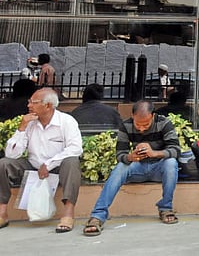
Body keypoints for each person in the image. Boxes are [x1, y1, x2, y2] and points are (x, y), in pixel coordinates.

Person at [83, 99, 181, 235]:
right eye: (138, 124)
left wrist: (154, 153)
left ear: (153, 116)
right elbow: (120, 154)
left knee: (171, 163)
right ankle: (98, 216)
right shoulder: (126, 125)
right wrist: (131, 157)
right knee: (121, 167)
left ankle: (166, 208)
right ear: (132, 116)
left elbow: (176, 150)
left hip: (159, 167)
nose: (141, 129)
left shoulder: (164, 123)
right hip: (138, 168)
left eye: (146, 124)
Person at [0, 88, 82, 233]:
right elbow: (11, 154)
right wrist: (21, 128)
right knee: (3, 164)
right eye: (29, 102)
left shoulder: (66, 121)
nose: (29, 106)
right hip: (33, 165)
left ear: (48, 105)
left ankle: (68, 214)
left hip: (57, 166)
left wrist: (49, 164)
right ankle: (2, 212)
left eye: (33, 102)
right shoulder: (30, 123)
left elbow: (75, 148)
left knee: (72, 162)